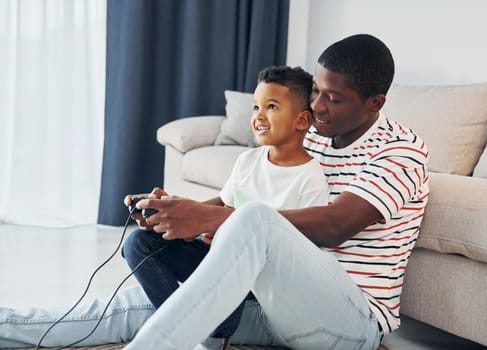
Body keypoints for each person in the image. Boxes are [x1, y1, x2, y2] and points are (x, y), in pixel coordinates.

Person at [0, 33, 429, 350]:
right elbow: (238, 205)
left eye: (333, 99)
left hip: (347, 322)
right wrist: (177, 211)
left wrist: (216, 218)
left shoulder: (401, 152)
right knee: (135, 305)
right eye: (316, 92)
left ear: (374, 103)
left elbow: (335, 225)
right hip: (266, 304)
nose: (316, 108)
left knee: (255, 218)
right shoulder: (313, 135)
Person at [0, 66, 329, 349]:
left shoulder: (310, 179)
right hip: (214, 259)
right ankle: (187, 325)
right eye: (256, 106)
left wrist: (226, 235)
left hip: (253, 284)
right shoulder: (249, 161)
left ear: (301, 120)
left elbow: (302, 252)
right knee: (138, 244)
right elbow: (224, 205)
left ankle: (211, 335)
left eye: (271, 107)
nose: (258, 115)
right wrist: (174, 213)